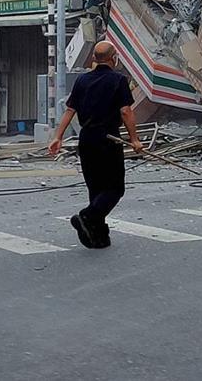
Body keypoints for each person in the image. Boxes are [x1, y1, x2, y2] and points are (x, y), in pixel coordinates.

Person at [48, 41, 143, 249]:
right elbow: (126, 111)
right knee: (115, 188)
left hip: (87, 139)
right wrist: (134, 139)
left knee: (96, 188)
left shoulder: (82, 80)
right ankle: (87, 216)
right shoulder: (118, 80)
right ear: (114, 58)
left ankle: (98, 236)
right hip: (108, 139)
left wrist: (58, 137)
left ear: (93, 58)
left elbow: (69, 111)